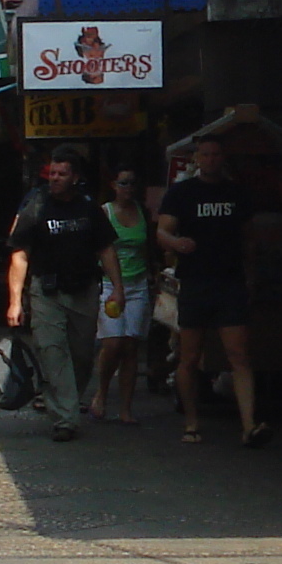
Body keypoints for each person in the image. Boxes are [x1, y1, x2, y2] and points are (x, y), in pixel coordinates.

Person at [157, 130, 262, 446]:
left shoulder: (237, 194)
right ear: (196, 159)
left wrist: (251, 275)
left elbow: (249, 238)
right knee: (189, 357)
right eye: (205, 155)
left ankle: (249, 425)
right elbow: (162, 231)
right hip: (195, 283)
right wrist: (176, 243)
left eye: (215, 154)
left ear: (222, 157)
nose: (210, 159)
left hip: (229, 282)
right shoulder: (182, 193)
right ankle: (191, 422)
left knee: (239, 355)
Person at [5, 147, 115, 441]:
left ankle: (66, 400)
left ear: (75, 177)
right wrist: (15, 301)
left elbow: (106, 248)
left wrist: (119, 289)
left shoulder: (89, 208)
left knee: (81, 355)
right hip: (47, 292)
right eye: (52, 173)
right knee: (52, 351)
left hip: (84, 290)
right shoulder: (37, 207)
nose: (54, 179)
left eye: (62, 174)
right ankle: (65, 418)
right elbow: (20, 255)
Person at [92, 165, 156, 425]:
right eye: (123, 183)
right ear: (113, 185)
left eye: (132, 184)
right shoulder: (105, 213)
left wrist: (154, 275)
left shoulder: (144, 213)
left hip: (138, 284)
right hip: (109, 284)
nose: (128, 189)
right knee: (113, 343)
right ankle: (102, 392)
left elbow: (149, 246)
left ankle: (126, 407)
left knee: (131, 345)